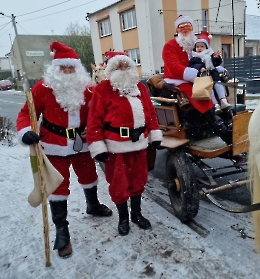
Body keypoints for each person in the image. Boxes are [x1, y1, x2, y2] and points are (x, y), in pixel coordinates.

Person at [16, 41, 112, 259]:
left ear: (78, 69)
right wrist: (25, 132)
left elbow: (102, 112)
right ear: (55, 69)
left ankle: (93, 205)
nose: (67, 72)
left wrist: (95, 129)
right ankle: (62, 230)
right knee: (58, 185)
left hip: (83, 143)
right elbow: (25, 114)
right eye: (63, 68)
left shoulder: (89, 89)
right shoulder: (42, 88)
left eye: (71, 68)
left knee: (89, 176)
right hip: (53, 144)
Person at [86, 51, 162, 236]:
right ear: (111, 69)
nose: (123, 69)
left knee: (138, 180)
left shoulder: (140, 88)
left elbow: (150, 113)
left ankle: (136, 214)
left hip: (140, 144)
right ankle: (123, 218)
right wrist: (97, 146)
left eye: (126, 66)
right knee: (119, 183)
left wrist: (155, 134)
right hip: (116, 147)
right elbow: (94, 120)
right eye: (119, 66)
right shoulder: (103, 89)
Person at [162, 15, 231, 143]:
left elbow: (206, 60)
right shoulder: (170, 46)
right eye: (182, 28)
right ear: (177, 30)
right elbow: (174, 68)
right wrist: (196, 74)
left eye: (188, 27)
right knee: (197, 93)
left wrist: (218, 68)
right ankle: (220, 127)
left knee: (216, 87)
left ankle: (228, 118)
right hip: (178, 79)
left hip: (199, 76)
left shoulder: (195, 45)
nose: (185, 30)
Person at [189, 30, 231, 114]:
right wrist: (201, 67)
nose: (199, 48)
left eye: (202, 46)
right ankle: (216, 105)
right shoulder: (194, 58)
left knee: (218, 85)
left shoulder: (210, 55)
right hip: (204, 76)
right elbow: (193, 65)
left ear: (206, 47)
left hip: (213, 74)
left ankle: (223, 100)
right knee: (209, 90)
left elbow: (216, 64)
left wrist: (217, 58)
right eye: (197, 46)